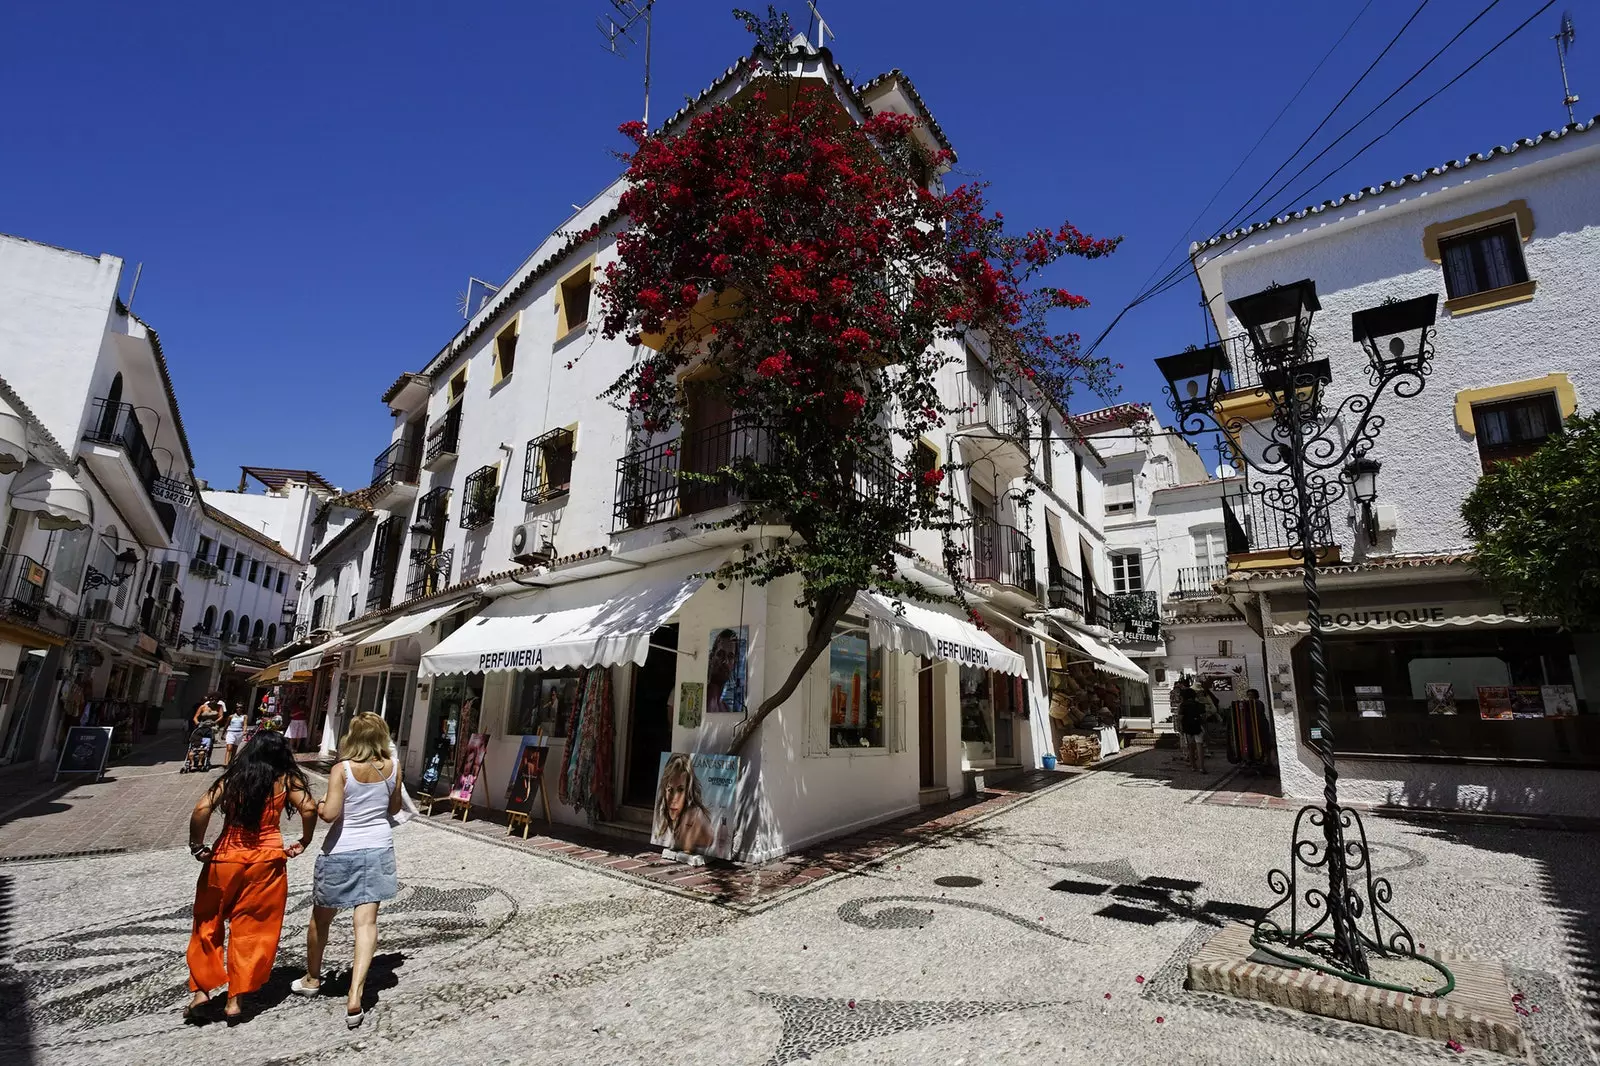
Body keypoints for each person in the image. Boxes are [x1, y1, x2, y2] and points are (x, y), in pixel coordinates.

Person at [185, 730, 316, 1023]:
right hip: (266, 860)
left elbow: (202, 807)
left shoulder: (233, 778)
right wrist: (304, 841)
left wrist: (197, 845)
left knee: (207, 922)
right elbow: (308, 807)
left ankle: (202, 991)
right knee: (252, 929)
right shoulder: (285, 779)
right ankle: (235, 999)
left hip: (226, 856)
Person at [293, 713, 403, 1029]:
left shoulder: (342, 770)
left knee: (321, 918)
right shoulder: (394, 768)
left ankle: (313, 978)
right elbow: (393, 809)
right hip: (379, 848)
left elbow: (329, 814)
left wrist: (321, 802)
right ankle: (355, 994)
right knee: (366, 923)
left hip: (342, 850)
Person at [653, 752, 713, 854]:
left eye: (680, 790)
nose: (674, 799)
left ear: (688, 792)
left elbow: (691, 846)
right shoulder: (665, 820)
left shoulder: (694, 815)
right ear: (664, 790)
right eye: (670, 790)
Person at [1179, 685, 1208, 772]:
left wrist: (1180, 727)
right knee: (1200, 746)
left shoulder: (1183, 705)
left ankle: (1193, 766)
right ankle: (1202, 767)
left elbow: (1180, 718)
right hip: (1198, 726)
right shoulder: (1199, 705)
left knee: (1191, 747)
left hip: (1187, 727)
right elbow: (1204, 717)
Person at [192, 695, 224, 771]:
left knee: (209, 744)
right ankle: (196, 759)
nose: (214, 701)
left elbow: (221, 716)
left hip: (212, 726)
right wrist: (197, 723)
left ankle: (207, 759)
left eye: (216, 700)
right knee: (198, 742)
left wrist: (215, 722)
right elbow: (195, 717)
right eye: (212, 699)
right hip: (202, 725)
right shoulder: (203, 707)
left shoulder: (219, 707)